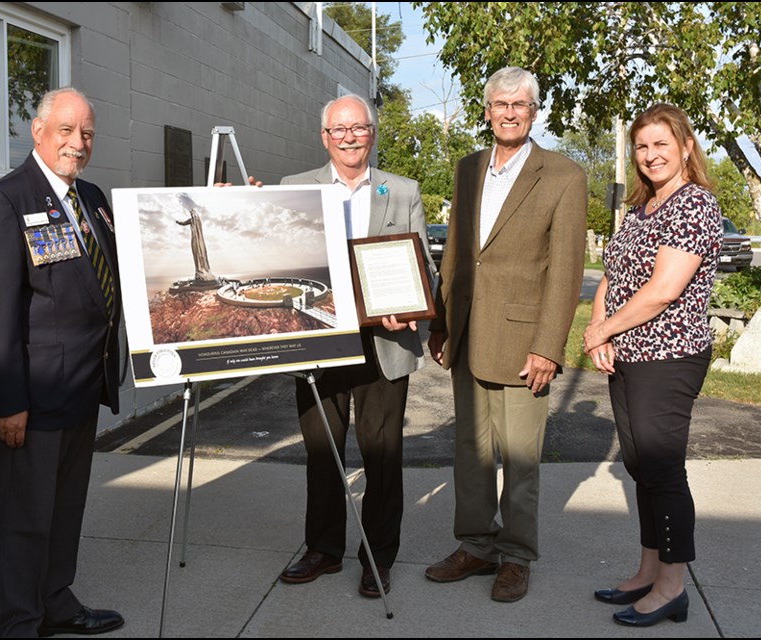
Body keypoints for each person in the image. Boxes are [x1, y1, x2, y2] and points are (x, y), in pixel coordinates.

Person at [425, 66, 587, 602]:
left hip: (523, 343)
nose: (510, 112)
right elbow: (456, 253)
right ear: (488, 110)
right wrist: (442, 322)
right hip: (468, 332)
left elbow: (564, 272)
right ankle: (475, 545)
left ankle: (516, 557)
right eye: (501, 104)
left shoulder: (563, 174)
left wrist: (547, 347)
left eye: (520, 104)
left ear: (534, 111)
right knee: (470, 453)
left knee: (520, 458)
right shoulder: (468, 168)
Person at [0, 87, 124, 637]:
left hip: (82, 390)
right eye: (65, 130)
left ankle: (55, 603)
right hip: (30, 399)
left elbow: (117, 274)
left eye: (86, 133)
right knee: (22, 519)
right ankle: (15, 621)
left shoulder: (93, 198)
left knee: (63, 513)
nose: (77, 143)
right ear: (37, 132)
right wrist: (6, 401)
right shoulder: (5, 201)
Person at [278, 94, 435, 597]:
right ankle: (323, 548)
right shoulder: (294, 188)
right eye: (338, 129)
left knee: (382, 455)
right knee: (322, 449)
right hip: (317, 339)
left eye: (359, 128)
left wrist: (409, 305)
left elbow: (421, 267)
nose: (349, 136)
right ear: (325, 137)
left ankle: (377, 558)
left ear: (372, 133)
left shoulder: (402, 190)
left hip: (382, 343)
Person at [585, 104, 721, 627]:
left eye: (661, 144)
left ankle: (672, 587)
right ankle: (646, 570)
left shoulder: (694, 205)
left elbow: (663, 291)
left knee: (662, 469)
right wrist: (600, 330)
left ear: (686, 146)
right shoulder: (643, 208)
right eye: (641, 146)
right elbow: (611, 275)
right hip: (630, 354)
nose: (650, 155)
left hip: (669, 355)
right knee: (642, 468)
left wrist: (603, 329)